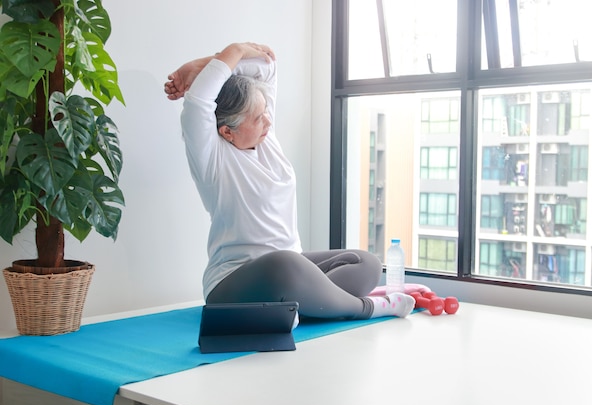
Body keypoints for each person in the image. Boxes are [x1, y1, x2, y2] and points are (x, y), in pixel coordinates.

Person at [164, 42, 415, 323]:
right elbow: (199, 100)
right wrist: (234, 50)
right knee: (285, 262)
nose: (268, 122)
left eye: (266, 112)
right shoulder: (213, 158)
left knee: (366, 264)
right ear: (227, 132)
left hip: (292, 268)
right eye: (258, 119)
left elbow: (266, 67)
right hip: (234, 282)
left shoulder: (265, 139)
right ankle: (367, 308)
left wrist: (196, 67)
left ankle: (296, 306)